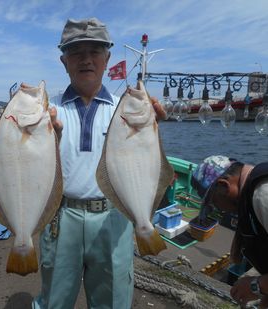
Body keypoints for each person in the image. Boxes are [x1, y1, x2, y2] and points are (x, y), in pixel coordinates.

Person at [32, 18, 165, 309]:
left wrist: (153, 130)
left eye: (95, 51)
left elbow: (147, 164)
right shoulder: (45, 110)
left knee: (113, 299)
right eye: (76, 52)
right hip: (60, 216)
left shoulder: (126, 107)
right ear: (63, 61)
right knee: (54, 298)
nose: (86, 59)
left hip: (113, 215)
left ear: (107, 59)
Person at [191, 155, 268, 309]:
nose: (219, 211)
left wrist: (255, 286)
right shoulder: (253, 192)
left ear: (224, 185)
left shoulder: (265, 195)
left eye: (215, 204)